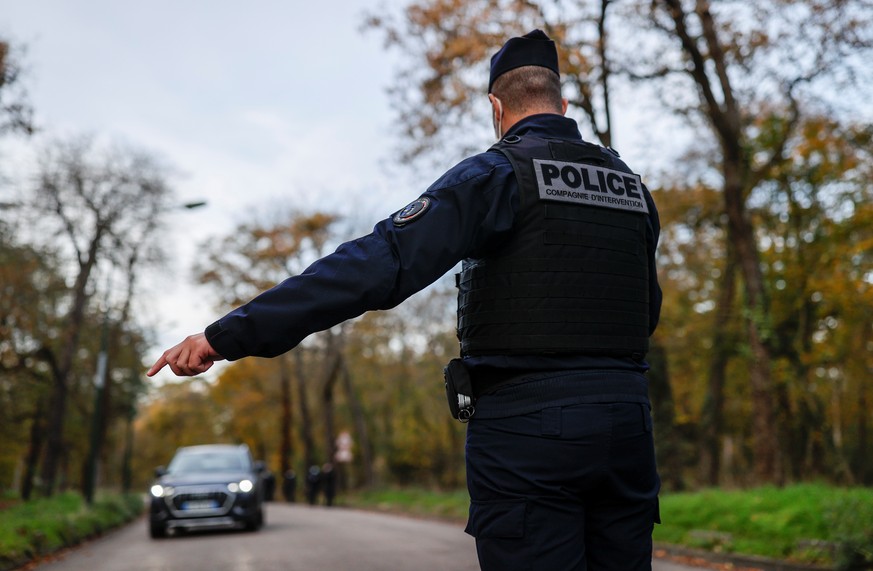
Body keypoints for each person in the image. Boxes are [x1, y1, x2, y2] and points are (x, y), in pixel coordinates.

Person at [148, 29, 661, 570]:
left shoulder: (494, 176)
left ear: (495, 106)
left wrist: (223, 335)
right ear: (562, 102)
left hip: (528, 432)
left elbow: (375, 266)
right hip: (628, 427)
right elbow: (645, 312)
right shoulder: (632, 188)